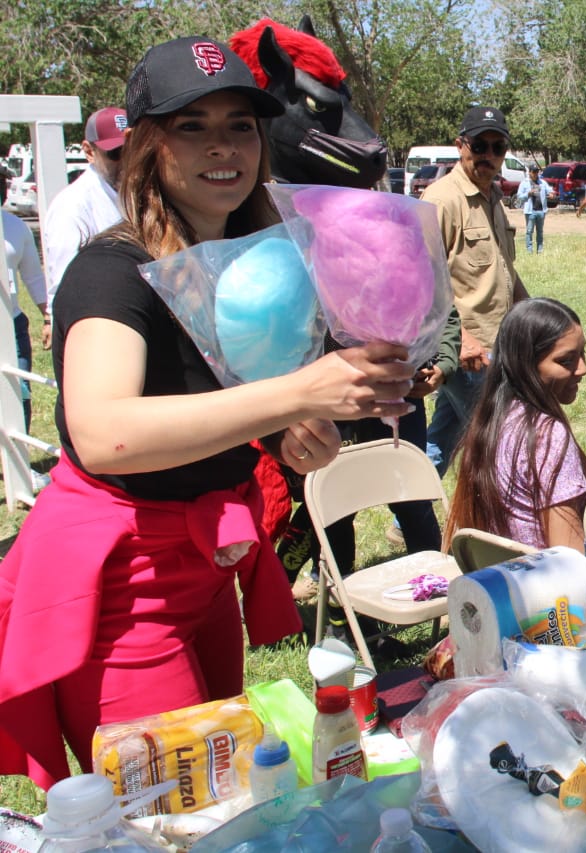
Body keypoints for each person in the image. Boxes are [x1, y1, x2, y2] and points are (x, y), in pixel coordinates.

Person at [0, 36, 417, 789]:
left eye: (240, 126)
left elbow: (233, 406)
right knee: (171, 807)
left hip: (208, 573)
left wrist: (296, 437)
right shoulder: (111, 271)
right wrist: (299, 392)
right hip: (123, 586)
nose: (222, 147)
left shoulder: (254, 264)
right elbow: (102, 433)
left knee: (223, 793)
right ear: (146, 146)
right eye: (191, 127)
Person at [445, 298, 586, 550]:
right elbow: (568, 558)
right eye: (566, 360)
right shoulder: (547, 436)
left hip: (501, 572)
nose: (583, 369)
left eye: (583, 353)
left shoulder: (491, 421)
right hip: (547, 575)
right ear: (525, 364)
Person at [422, 105, 529, 474]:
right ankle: (488, 510)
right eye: (479, 146)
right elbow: (423, 280)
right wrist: (461, 340)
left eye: (498, 148)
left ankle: (410, 507)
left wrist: (533, 315)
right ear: (460, 146)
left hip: (496, 344)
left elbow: (504, 269)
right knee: (496, 442)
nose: (489, 156)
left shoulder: (493, 197)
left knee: (445, 436)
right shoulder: (442, 200)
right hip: (468, 350)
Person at [43, 106, 127, 337]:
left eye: (134, 150)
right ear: (89, 151)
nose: (127, 161)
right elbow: (65, 283)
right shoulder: (72, 206)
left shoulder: (135, 195)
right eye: (116, 153)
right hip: (98, 328)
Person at [2, 182, 47, 430]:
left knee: (19, 395)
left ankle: (19, 453)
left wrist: (49, 317)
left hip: (13, 325)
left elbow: (34, 278)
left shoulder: (16, 227)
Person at [517, 163, 549, 253]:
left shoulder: (542, 182)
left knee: (540, 231)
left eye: (537, 172)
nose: (535, 174)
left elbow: (549, 190)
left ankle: (540, 250)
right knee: (529, 231)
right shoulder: (524, 183)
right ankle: (529, 250)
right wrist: (528, 194)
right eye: (534, 172)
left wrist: (551, 194)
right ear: (529, 172)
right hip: (530, 211)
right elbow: (519, 196)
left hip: (541, 211)